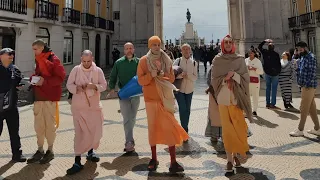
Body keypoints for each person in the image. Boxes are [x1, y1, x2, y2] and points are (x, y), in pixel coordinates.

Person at [137, 36, 189, 173]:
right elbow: (141, 81)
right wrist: (151, 75)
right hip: (151, 99)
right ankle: (153, 158)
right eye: (153, 44)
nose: (156, 47)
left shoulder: (166, 59)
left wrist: (164, 74)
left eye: (158, 44)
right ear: (149, 46)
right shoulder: (143, 61)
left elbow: (171, 78)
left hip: (165, 98)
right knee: (152, 128)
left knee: (170, 127)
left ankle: (173, 161)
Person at [211, 35, 253, 172]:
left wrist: (234, 75)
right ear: (222, 45)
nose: (228, 44)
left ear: (233, 44)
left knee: (239, 127)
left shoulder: (239, 59)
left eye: (230, 42)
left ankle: (236, 155)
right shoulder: (217, 60)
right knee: (228, 130)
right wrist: (225, 78)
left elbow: (246, 78)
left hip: (236, 99)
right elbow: (214, 80)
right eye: (226, 42)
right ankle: (229, 160)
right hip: (223, 99)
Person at [66, 50, 107, 175]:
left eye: (89, 61)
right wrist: (76, 88)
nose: (86, 63)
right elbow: (69, 84)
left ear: (92, 59)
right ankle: (77, 161)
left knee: (93, 131)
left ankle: (90, 153)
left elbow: (104, 85)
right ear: (81, 59)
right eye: (84, 61)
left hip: (93, 107)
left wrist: (94, 86)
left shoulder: (98, 70)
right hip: (78, 107)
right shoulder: (75, 70)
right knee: (79, 133)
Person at [27, 39, 66, 164]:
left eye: (35, 49)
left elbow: (60, 78)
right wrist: (34, 78)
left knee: (50, 126)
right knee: (38, 126)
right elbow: (39, 74)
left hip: (49, 98)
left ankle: (50, 150)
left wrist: (45, 81)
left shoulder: (53, 59)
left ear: (42, 47)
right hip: (38, 97)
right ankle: (40, 150)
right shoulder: (38, 59)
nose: (33, 52)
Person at [108, 42, 140, 152]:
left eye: (131, 48)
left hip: (136, 94)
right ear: (124, 51)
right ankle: (129, 142)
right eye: (127, 48)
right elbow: (113, 76)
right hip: (123, 94)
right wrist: (112, 89)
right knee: (127, 117)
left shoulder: (139, 62)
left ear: (134, 49)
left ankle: (130, 139)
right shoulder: (119, 62)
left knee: (132, 117)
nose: (129, 50)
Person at [0, 48, 26, 162]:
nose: (11, 56)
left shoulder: (15, 69)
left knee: (14, 131)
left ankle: (17, 154)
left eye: (13, 54)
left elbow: (18, 82)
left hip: (11, 106)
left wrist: (19, 85)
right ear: (1, 56)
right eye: (9, 54)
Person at [290, 41, 320, 137]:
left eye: (300, 49)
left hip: (308, 86)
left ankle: (300, 129)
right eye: (298, 50)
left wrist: (305, 85)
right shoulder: (302, 57)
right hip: (304, 86)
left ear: (305, 48)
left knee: (303, 108)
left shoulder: (311, 57)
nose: (299, 51)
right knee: (311, 109)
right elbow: (296, 68)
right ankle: (317, 128)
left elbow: (312, 73)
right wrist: (294, 56)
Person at [173, 43, 198, 134]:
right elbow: (172, 75)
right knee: (182, 108)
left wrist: (188, 76)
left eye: (188, 49)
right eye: (184, 49)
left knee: (188, 109)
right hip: (180, 89)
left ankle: (185, 126)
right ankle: (184, 129)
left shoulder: (194, 62)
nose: (186, 51)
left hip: (190, 90)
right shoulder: (177, 61)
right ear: (181, 51)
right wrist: (180, 76)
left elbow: (195, 77)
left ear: (190, 50)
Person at [258, 39, 281, 109]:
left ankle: (268, 103)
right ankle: (272, 104)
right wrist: (278, 72)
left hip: (268, 73)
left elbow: (259, 47)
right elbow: (279, 64)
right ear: (273, 47)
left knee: (268, 88)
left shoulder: (265, 52)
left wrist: (265, 41)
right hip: (274, 74)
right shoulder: (276, 54)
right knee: (273, 89)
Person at [204, 66, 222, 142]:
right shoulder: (214, 66)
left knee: (223, 115)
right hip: (214, 93)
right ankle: (214, 135)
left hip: (225, 93)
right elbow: (209, 80)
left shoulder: (230, 64)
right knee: (214, 115)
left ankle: (223, 135)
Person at [245, 48, 264, 116]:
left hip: (255, 81)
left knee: (255, 96)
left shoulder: (258, 61)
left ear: (254, 53)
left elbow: (261, 72)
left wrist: (254, 68)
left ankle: (254, 110)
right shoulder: (246, 60)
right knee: (247, 96)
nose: (250, 54)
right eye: (249, 53)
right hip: (247, 81)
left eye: (251, 53)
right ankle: (248, 110)